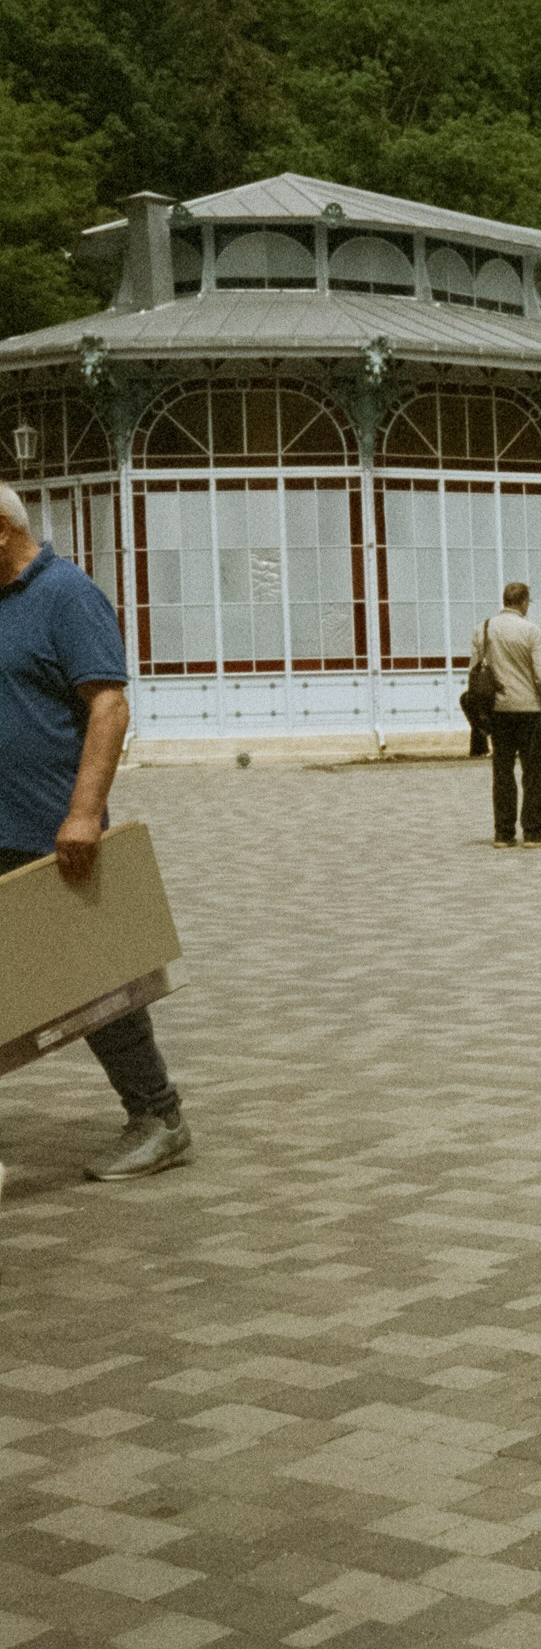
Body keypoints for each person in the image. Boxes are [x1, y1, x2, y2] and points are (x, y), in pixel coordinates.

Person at [0, 485, 191, 1179]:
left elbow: (108, 705)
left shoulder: (69, 595)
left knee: (95, 982)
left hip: (51, 829)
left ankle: (158, 1116)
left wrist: (84, 812)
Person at [471, 582, 541, 846]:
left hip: (498, 709)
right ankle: (532, 832)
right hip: (528, 709)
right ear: (523, 602)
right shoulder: (532, 631)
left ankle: (503, 833)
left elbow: (475, 670)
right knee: (533, 773)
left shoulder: (484, 629)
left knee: (502, 772)